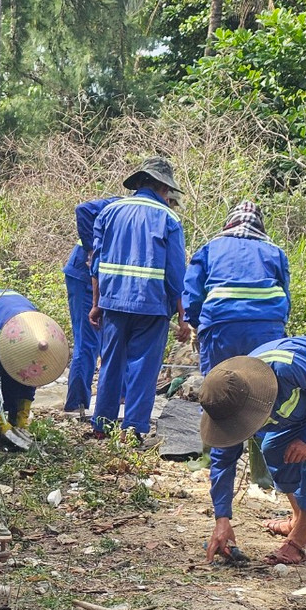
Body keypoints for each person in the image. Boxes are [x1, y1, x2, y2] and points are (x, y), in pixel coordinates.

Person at [201, 336, 306, 565]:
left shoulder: (286, 367)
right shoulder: (222, 405)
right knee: (273, 449)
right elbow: (222, 461)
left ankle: (298, 541)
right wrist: (222, 519)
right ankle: (302, 522)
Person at [88, 157, 190, 439]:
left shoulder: (110, 212)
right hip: (152, 305)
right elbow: (175, 273)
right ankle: (132, 428)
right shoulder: (169, 218)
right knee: (143, 367)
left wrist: (96, 304)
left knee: (110, 363)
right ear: (161, 186)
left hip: (113, 302)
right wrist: (183, 314)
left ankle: (102, 425)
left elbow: (95, 263)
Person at [183, 201, 291, 375]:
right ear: (260, 225)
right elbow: (285, 293)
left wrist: (195, 324)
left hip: (220, 326)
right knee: (262, 387)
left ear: (230, 221)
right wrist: (280, 323)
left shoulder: (210, 249)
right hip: (266, 328)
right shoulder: (276, 252)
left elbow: (193, 293)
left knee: (217, 386)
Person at [0, 289, 70, 450]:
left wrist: (22, 417)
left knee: (21, 373)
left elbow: (30, 377)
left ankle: (15, 420)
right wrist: (0, 421)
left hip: (19, 318)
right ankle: (3, 422)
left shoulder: (41, 333)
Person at [62, 196, 118, 417]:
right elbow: (82, 210)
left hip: (103, 280)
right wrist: (91, 250)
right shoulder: (118, 205)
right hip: (84, 276)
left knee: (111, 342)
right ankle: (76, 404)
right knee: (87, 341)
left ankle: (117, 397)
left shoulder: (152, 217)